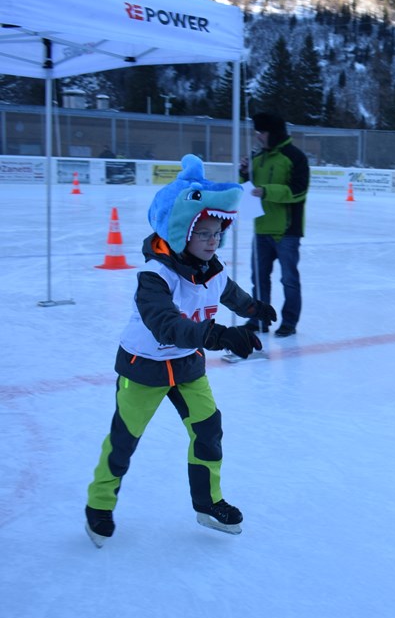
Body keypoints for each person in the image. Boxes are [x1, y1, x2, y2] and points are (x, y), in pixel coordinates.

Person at [83, 154, 277, 548]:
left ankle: (208, 503)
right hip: (143, 367)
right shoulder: (154, 277)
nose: (212, 241)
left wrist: (254, 308)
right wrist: (221, 336)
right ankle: (99, 505)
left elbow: (229, 292)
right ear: (181, 232)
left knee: (208, 428)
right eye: (203, 233)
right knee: (124, 440)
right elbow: (167, 325)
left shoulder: (212, 268)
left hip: (187, 367)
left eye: (216, 233)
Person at [240, 112, 309, 338]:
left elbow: (299, 191)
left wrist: (267, 191)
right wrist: (244, 174)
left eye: (262, 132)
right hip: (261, 229)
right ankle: (259, 320)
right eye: (257, 132)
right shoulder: (257, 157)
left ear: (275, 133)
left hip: (287, 231)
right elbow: (248, 190)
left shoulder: (295, 157)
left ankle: (289, 322)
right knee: (258, 280)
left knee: (289, 280)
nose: (258, 136)